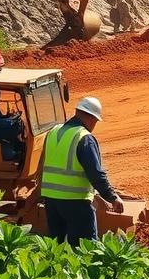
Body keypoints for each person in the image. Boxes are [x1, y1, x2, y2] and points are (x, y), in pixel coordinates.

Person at [39, 95, 124, 246]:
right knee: (85, 248)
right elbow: (96, 174)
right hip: (75, 203)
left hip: (51, 201)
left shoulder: (53, 132)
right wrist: (112, 197)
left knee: (54, 248)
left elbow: (43, 166)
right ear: (92, 118)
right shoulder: (84, 138)